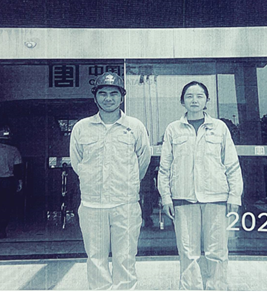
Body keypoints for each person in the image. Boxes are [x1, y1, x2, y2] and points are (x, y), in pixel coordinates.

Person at [158, 81, 243, 290]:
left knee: (217, 251)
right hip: (183, 198)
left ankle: (217, 287)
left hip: (216, 198)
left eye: (199, 96)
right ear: (182, 101)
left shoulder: (220, 128)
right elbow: (164, 168)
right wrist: (166, 197)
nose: (194, 100)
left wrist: (234, 196)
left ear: (207, 100)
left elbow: (232, 164)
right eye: (189, 96)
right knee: (188, 252)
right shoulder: (173, 129)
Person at [70, 72, 152, 290]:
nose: (108, 98)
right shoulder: (81, 128)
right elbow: (77, 163)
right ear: (95, 97)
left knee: (125, 257)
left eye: (114, 93)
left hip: (125, 204)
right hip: (92, 205)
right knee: (96, 258)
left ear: (122, 97)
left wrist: (127, 183)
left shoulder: (135, 126)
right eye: (103, 93)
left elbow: (143, 161)